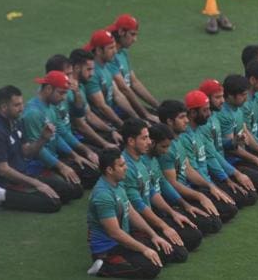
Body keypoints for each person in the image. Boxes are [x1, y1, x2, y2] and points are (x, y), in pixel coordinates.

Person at [86, 149, 165, 279]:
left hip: (121, 240)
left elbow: (131, 212)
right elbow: (115, 233)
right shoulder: (103, 195)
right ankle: (103, 266)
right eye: (122, 165)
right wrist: (144, 249)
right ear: (110, 170)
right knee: (151, 268)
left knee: (162, 251)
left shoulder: (118, 184)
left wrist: (153, 235)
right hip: (108, 248)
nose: (126, 167)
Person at [0, 85, 61, 213]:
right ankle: (0, 194)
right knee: (53, 203)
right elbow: (3, 170)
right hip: (7, 183)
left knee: (70, 191)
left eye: (22, 103)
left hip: (23, 175)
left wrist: (43, 139)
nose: (22, 108)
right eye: (16, 105)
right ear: (3, 107)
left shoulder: (17, 122)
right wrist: (36, 183)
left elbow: (27, 152)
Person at [120, 118, 189, 263]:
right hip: (136, 226)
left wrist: (173, 212)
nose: (149, 142)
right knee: (178, 253)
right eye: (144, 138)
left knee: (192, 234)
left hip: (149, 218)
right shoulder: (125, 167)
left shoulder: (140, 160)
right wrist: (160, 228)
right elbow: (137, 206)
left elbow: (151, 191)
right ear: (131, 141)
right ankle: (111, 262)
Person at [156, 100, 226, 232]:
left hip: (187, 190)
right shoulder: (166, 149)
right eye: (182, 117)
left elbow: (188, 169)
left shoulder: (179, 139)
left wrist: (210, 186)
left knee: (226, 208)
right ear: (170, 121)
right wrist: (198, 196)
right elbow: (172, 184)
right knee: (211, 224)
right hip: (177, 197)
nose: (186, 120)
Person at [199, 78, 258, 196]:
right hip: (220, 168)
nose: (222, 101)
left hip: (224, 166)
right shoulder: (207, 124)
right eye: (218, 97)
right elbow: (212, 155)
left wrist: (234, 142)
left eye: (222, 96)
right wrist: (232, 176)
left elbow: (222, 144)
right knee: (255, 192)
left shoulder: (214, 116)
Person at [182, 89, 258, 208]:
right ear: (192, 113)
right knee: (231, 208)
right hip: (199, 184)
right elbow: (196, 170)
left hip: (210, 178)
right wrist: (214, 186)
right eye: (205, 110)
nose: (209, 113)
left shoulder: (200, 129)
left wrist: (227, 179)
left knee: (249, 196)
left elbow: (212, 155)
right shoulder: (186, 136)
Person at [22, 71, 84, 202]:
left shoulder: (51, 107)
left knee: (83, 180)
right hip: (37, 166)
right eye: (61, 93)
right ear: (49, 88)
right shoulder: (33, 113)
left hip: (52, 160)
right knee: (70, 192)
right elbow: (37, 150)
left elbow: (56, 137)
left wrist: (74, 155)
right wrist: (62, 166)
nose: (64, 98)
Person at [218, 75, 258, 193]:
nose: (246, 98)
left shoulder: (237, 108)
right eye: (243, 95)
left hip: (242, 155)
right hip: (232, 161)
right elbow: (232, 149)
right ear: (231, 96)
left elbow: (246, 132)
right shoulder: (224, 115)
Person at [45, 54, 100, 189]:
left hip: (68, 142)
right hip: (60, 149)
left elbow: (79, 114)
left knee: (102, 162)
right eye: (67, 74)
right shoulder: (50, 102)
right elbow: (61, 133)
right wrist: (80, 153)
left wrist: (77, 94)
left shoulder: (66, 91)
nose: (71, 78)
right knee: (93, 173)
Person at [146, 123, 203, 250]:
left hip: (161, 208)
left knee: (202, 227)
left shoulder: (154, 158)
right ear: (152, 143)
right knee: (187, 243)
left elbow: (163, 183)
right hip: (151, 213)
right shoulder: (140, 164)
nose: (166, 151)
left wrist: (185, 205)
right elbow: (143, 201)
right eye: (163, 146)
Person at [106, 14, 160, 123]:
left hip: (127, 107)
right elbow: (124, 89)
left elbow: (134, 82)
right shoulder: (109, 58)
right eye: (132, 34)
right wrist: (145, 115)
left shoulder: (123, 52)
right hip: (117, 111)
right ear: (121, 32)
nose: (135, 39)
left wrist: (158, 107)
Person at [83, 29, 140, 129]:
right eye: (111, 48)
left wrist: (137, 117)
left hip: (112, 118)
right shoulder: (93, 73)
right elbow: (102, 107)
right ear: (99, 50)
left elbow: (118, 95)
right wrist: (123, 127)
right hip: (101, 125)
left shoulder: (107, 65)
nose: (115, 51)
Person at [69, 48, 123, 150]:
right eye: (88, 69)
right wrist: (104, 143)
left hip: (82, 133)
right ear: (76, 68)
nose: (92, 74)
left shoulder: (80, 86)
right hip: (76, 138)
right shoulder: (69, 92)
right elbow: (81, 125)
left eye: (93, 69)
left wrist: (111, 131)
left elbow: (89, 115)